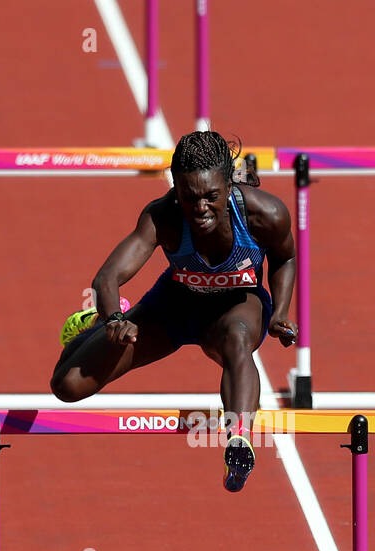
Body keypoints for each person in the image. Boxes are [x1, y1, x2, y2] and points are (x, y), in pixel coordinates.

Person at [50, 131, 297, 492]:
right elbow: (108, 276)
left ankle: (238, 441)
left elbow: (285, 256)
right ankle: (96, 323)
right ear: (176, 189)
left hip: (236, 306)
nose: (200, 209)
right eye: (189, 197)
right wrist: (114, 321)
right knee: (67, 386)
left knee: (237, 339)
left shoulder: (266, 214)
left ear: (229, 185)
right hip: (174, 306)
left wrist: (279, 313)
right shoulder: (162, 216)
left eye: (211, 197)